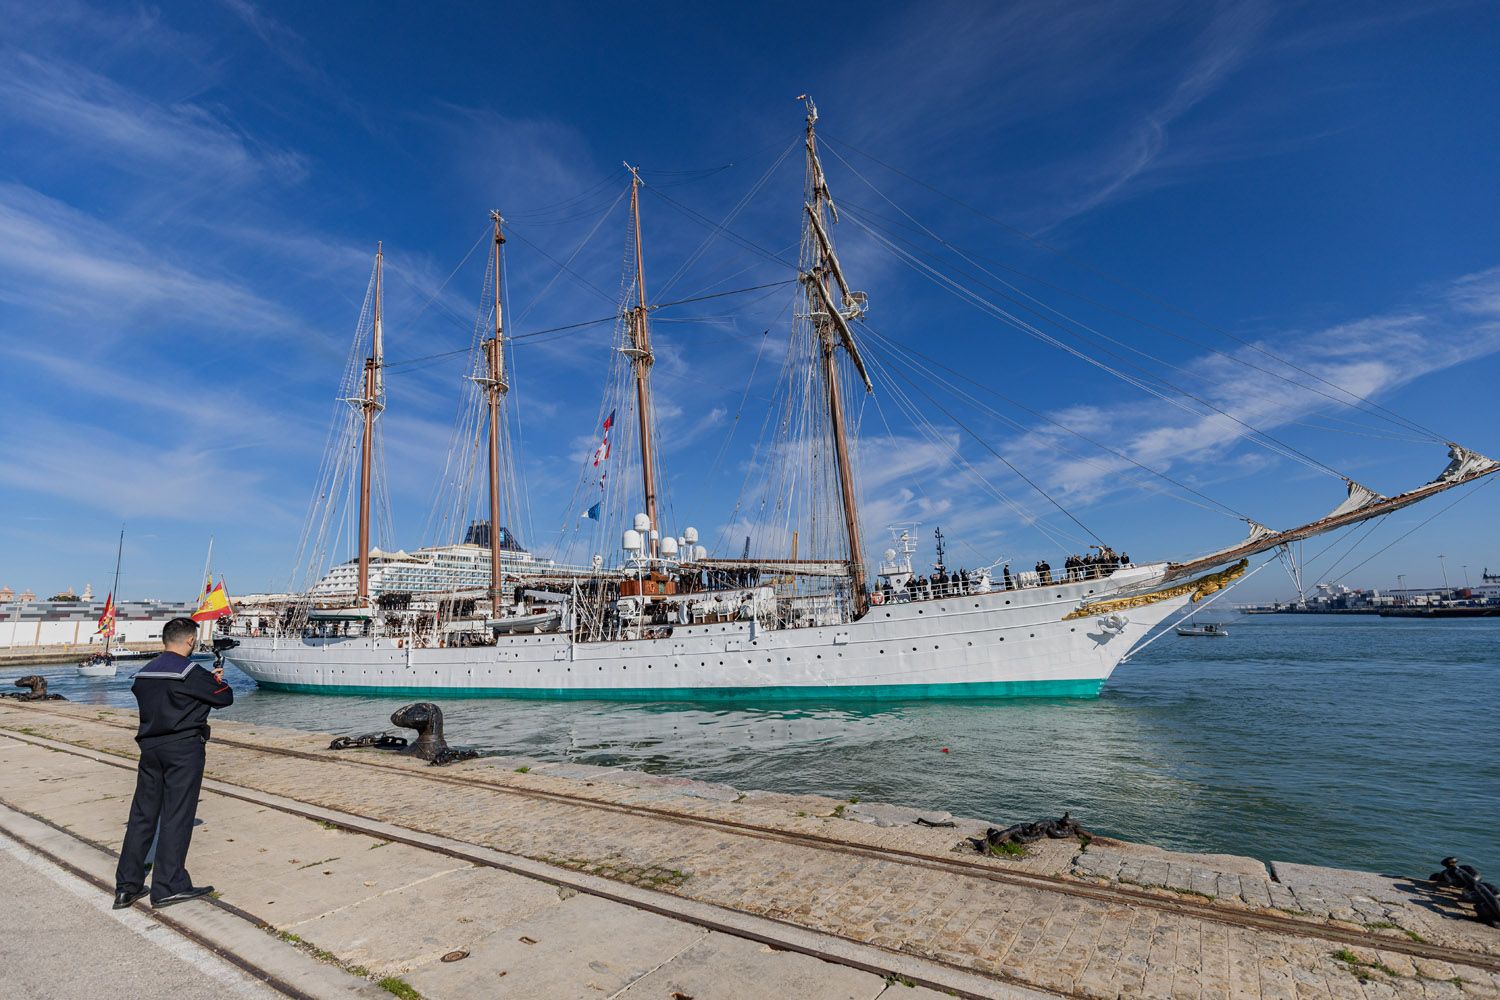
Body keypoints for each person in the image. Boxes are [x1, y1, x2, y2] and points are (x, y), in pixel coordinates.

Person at [113, 617, 233, 910]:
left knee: (143, 814)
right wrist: (218, 680)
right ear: (190, 640)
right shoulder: (190, 671)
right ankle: (168, 886)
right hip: (182, 749)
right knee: (177, 814)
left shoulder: (144, 672)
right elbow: (224, 698)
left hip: (150, 748)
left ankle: (127, 886)